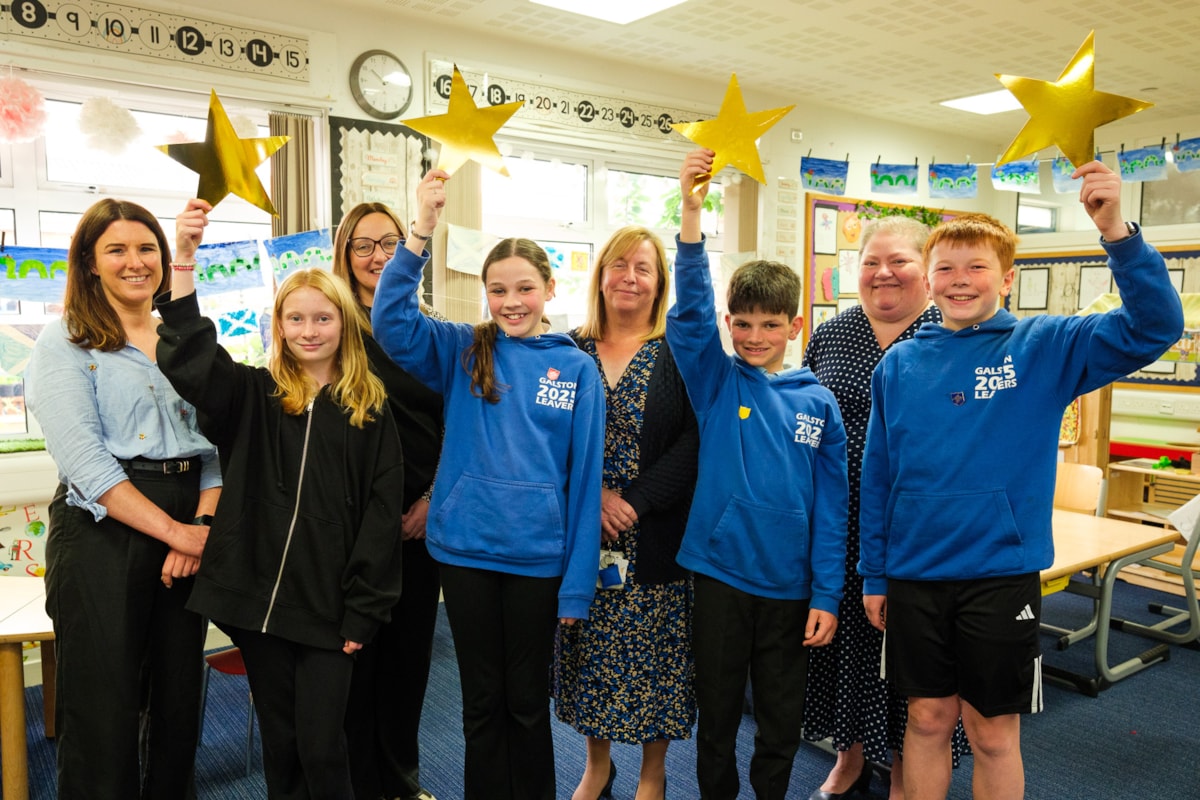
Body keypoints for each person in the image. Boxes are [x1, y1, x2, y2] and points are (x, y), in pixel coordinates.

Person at [859, 159, 1184, 800]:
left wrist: (1116, 231)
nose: (960, 280)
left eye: (977, 267)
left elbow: (1155, 327)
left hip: (999, 576)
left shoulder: (1045, 346)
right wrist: (875, 573)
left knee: (992, 733)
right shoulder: (899, 364)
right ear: (928, 279)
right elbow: (879, 477)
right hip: (915, 575)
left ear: (1007, 278)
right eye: (945, 268)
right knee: (926, 720)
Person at [157, 198, 407, 800]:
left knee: (322, 747)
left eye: (322, 318)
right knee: (284, 745)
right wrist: (184, 258)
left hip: (329, 610)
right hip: (258, 606)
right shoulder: (252, 394)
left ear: (343, 324)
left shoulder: (370, 412)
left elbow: (381, 518)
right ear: (279, 325)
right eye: (295, 319)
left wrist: (364, 608)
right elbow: (192, 357)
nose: (308, 331)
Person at [371, 170, 605, 800]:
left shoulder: (576, 368)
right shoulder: (463, 349)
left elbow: (586, 482)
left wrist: (577, 586)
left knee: (525, 704)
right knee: (479, 704)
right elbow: (390, 321)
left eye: (525, 288)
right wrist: (421, 229)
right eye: (497, 290)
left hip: (538, 559)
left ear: (550, 288)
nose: (511, 302)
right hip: (465, 551)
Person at [669, 148, 849, 800]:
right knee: (716, 715)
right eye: (742, 323)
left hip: (790, 590)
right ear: (729, 323)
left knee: (780, 719)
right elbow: (690, 315)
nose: (754, 336)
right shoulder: (716, 380)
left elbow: (832, 510)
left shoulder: (819, 403)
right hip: (720, 577)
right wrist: (692, 215)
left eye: (770, 324)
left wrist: (826, 594)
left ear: (795, 326)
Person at [26, 198, 221, 799]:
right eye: (116, 249)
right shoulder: (64, 342)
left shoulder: (183, 338)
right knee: (102, 708)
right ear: (90, 263)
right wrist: (177, 533)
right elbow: (87, 465)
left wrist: (201, 526)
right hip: (102, 528)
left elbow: (219, 441)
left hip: (190, 516)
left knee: (178, 700)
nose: (135, 261)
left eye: (146, 248)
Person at [801, 217, 969, 800]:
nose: (883, 273)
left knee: (908, 653)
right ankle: (848, 757)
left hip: (919, 529)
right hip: (837, 524)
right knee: (842, 647)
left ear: (927, 270)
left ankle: (904, 769)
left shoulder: (950, 335)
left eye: (899, 261)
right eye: (871, 262)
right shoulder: (832, 335)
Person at [553, 226, 700, 800]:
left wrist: (634, 501)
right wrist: (592, 497)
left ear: (660, 282)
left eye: (643, 268)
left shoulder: (679, 351)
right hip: (584, 533)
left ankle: (651, 773)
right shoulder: (568, 349)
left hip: (655, 533)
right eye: (618, 265)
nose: (629, 278)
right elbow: (548, 438)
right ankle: (597, 766)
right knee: (589, 655)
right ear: (600, 276)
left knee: (657, 660)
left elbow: (694, 441)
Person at [333, 202, 445, 800]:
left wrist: (431, 498)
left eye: (390, 243)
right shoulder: (331, 327)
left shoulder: (433, 332)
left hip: (418, 523)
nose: (378, 256)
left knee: (407, 664)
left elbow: (460, 426)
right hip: (352, 524)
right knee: (354, 665)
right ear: (345, 254)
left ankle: (402, 783)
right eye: (364, 245)